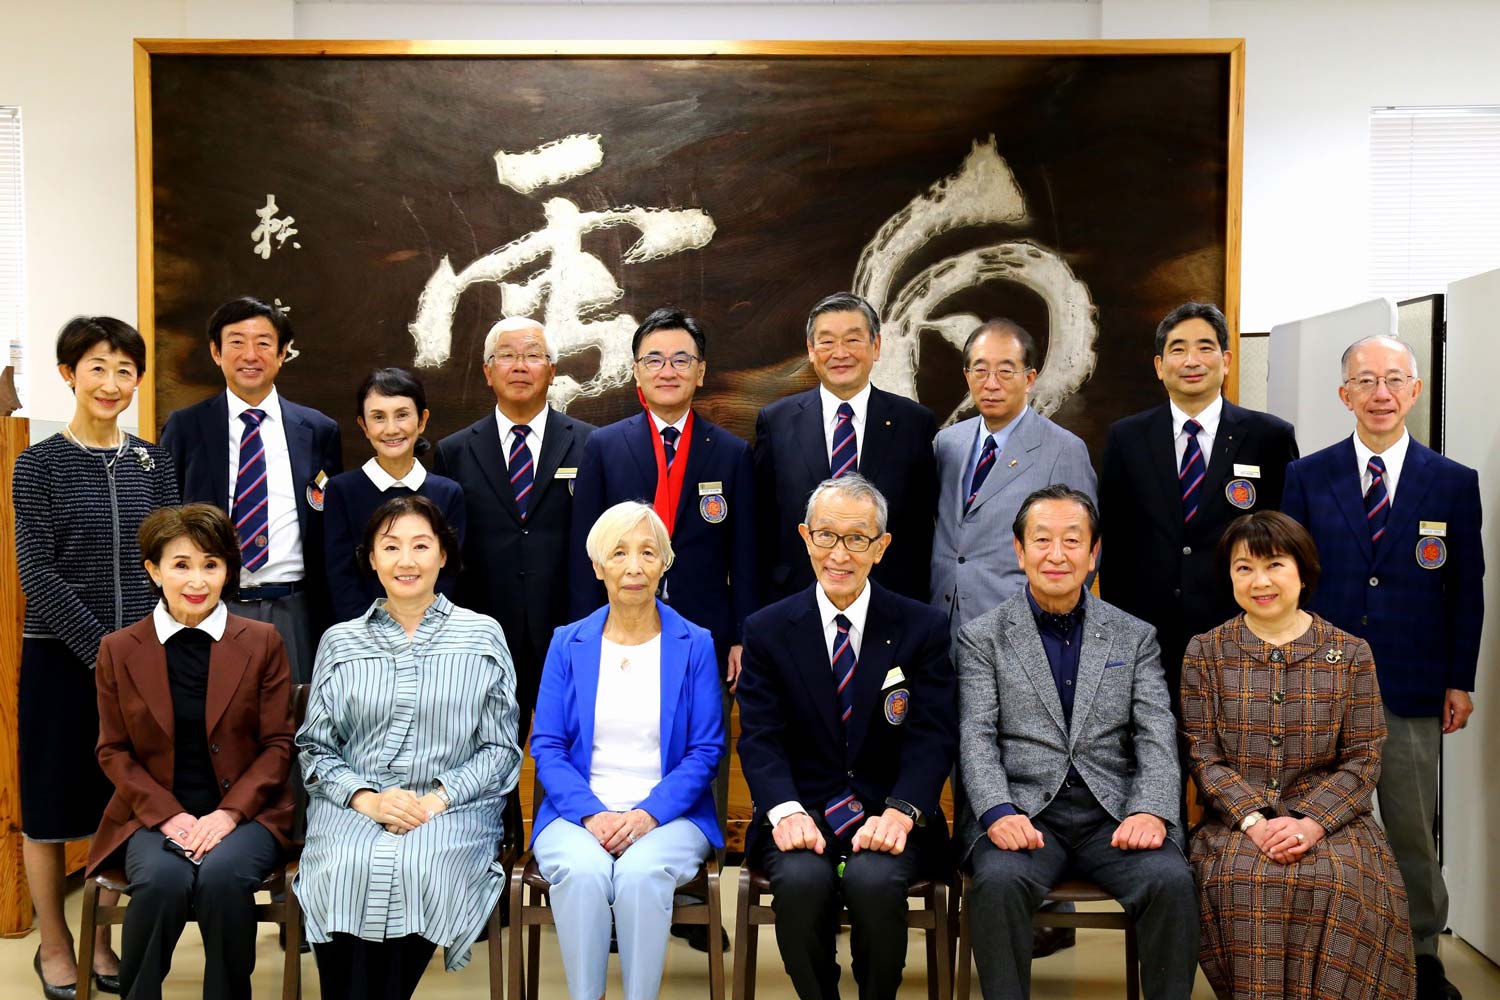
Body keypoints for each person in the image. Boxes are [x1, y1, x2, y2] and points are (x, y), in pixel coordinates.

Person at [1282, 334, 1482, 1000]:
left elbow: (1467, 590)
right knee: (1324, 823)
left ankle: (1420, 953)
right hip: (1323, 683)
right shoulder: (1307, 477)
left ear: (1416, 391)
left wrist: (1460, 679)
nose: (1381, 393)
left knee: (1409, 830)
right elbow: (1292, 582)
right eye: (1365, 381)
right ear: (1345, 394)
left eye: (1395, 379)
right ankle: (1327, 951)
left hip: (1414, 684)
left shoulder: (1452, 484)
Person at [956, 485, 1198, 1000]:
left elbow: (1157, 734)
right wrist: (998, 811)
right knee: (996, 886)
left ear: (1094, 554)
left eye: (1072, 540)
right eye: (1042, 540)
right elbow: (976, 735)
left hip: (1112, 816)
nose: (1057, 554)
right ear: (1019, 552)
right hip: (1024, 814)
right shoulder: (983, 636)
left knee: (1171, 882)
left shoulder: (1133, 636)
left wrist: (1151, 810)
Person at [737, 474, 956, 1000]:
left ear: (881, 547)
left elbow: (932, 734)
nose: (840, 553)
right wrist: (785, 812)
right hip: (802, 812)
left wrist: (902, 812)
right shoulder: (767, 630)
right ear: (804, 537)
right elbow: (760, 737)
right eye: (826, 536)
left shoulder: (920, 627)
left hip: (889, 812)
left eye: (857, 538)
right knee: (801, 883)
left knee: (874, 883)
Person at [294, 495, 521, 1000]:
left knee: (417, 864)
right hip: (352, 805)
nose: (406, 560)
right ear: (371, 558)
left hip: (452, 808)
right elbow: (315, 748)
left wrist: (437, 798)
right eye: (390, 546)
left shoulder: (482, 635)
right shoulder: (340, 641)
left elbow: (501, 749)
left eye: (421, 545)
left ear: (443, 554)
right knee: (344, 867)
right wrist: (367, 799)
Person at [1183, 510, 1414, 1000]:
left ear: (1302, 572)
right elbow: (1203, 754)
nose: (1260, 581)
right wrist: (1256, 821)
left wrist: (1310, 823)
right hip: (1236, 821)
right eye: (1244, 568)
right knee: (1244, 877)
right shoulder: (1206, 652)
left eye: (1275, 565)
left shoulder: (1350, 653)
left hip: (1333, 820)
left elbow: (1364, 757)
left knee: (1340, 881)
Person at [13, 316, 178, 998]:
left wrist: (147, 646)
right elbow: (37, 573)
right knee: (50, 808)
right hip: (59, 660)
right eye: (97, 368)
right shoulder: (39, 464)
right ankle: (54, 943)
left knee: (123, 803)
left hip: (142, 663)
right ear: (68, 375)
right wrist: (102, 651)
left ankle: (102, 938)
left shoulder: (153, 461)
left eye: (124, 371)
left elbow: (173, 558)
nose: (111, 383)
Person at [90, 504, 297, 1000]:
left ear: (228, 570)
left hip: (248, 815)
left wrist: (227, 815)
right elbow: (113, 750)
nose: (197, 580)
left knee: (224, 880)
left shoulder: (262, 640)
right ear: (154, 570)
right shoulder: (119, 648)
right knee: (161, 881)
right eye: (181, 564)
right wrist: (168, 815)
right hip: (152, 816)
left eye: (211, 564)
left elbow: (278, 744)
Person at [531, 501, 724, 1000]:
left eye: (647, 552)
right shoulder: (566, 643)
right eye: (618, 553)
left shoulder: (695, 643)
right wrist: (592, 815)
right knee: (583, 871)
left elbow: (705, 750)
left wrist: (647, 815)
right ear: (598, 567)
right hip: (577, 812)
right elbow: (547, 746)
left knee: (640, 875)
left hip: (669, 815)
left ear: (665, 563)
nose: (634, 567)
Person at [1098, 301, 1299, 714]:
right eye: (1177, 349)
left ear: (1226, 361)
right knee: (1156, 771)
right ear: (1159, 365)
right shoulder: (1126, 438)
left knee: (1233, 771)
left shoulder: (1270, 438)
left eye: (1205, 348)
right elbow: (1114, 544)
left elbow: (1289, 545)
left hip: (1241, 638)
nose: (1191, 360)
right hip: (1147, 643)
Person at [159, 296, 344, 683]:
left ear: (283, 353)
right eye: (237, 341)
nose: (250, 354)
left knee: (298, 722)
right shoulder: (186, 427)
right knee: (216, 727)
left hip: (296, 608)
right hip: (211, 604)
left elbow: (331, 527)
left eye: (263, 342)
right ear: (216, 351)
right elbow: (166, 521)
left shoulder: (318, 430)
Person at [569, 307, 756, 687]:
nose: (667, 371)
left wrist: (741, 636)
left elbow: (746, 554)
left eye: (681, 360)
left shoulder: (730, 452)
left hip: (706, 634)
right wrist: (584, 632)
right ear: (636, 371)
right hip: (618, 629)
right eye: (653, 360)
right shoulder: (604, 447)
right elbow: (583, 551)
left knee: (702, 741)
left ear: (700, 372)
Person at [432, 316, 594, 745]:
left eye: (533, 356)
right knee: (487, 755)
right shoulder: (453, 451)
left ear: (552, 370)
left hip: (569, 628)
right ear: (488, 371)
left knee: (574, 753)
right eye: (506, 356)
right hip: (483, 631)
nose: (519, 366)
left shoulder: (591, 444)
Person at [753, 292, 938, 604]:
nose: (840, 353)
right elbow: (760, 524)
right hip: (795, 599)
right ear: (811, 350)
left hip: (892, 602)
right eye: (826, 342)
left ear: (875, 346)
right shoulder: (776, 421)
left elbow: (925, 526)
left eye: (853, 340)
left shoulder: (914, 423)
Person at [932, 318, 1096, 639]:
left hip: (1017, 631)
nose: (991, 383)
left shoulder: (1064, 450)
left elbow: (1081, 553)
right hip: (941, 625)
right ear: (967, 376)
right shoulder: (947, 442)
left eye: (1006, 371)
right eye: (980, 370)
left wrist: (1044, 620)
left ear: (1030, 378)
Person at [323, 367, 465, 622]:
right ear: (363, 425)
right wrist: (366, 632)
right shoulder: (342, 490)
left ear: (422, 420)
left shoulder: (448, 493)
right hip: (362, 635)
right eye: (378, 417)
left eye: (402, 415)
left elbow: (450, 574)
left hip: (433, 633)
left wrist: (425, 627)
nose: (391, 429)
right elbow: (340, 576)